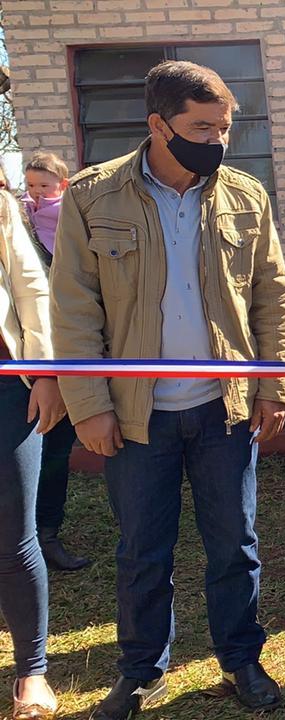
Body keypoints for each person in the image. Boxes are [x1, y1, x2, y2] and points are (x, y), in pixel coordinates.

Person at [51, 60, 285, 719]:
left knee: (235, 546)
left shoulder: (246, 195)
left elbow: (274, 297)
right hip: (136, 417)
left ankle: (242, 661)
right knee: (141, 551)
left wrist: (275, 386)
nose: (217, 139)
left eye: (224, 128)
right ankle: (140, 673)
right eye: (202, 127)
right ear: (158, 125)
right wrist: (90, 405)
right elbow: (74, 310)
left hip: (224, 408)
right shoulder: (91, 195)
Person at [0, 190, 64, 720]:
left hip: (6, 390)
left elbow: (31, 288)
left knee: (14, 535)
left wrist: (45, 372)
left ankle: (32, 673)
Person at [17, 151, 89, 572]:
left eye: (45, 184)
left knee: (55, 449)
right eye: (31, 185)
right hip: (18, 365)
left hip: (58, 353)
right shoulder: (19, 221)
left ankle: (46, 536)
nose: (37, 193)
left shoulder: (69, 223)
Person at [21, 152, 68, 256]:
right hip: (35, 252)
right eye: (31, 185)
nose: (37, 190)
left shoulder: (64, 207)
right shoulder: (26, 204)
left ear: (63, 185)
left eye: (44, 186)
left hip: (58, 254)